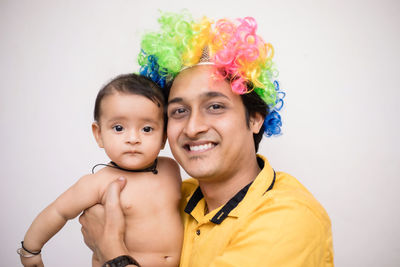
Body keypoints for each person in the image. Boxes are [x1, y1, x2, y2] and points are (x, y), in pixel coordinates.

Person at [79, 12, 334, 267]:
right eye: (179, 111)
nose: (193, 127)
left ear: (255, 119)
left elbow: (109, 242)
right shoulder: (175, 197)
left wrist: (111, 249)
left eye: (215, 107)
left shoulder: (290, 219)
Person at [18, 74, 183, 267]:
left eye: (147, 129)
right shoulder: (98, 183)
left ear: (163, 136)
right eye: (119, 127)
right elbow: (58, 212)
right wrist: (30, 250)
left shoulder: (171, 168)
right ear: (99, 135)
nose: (133, 138)